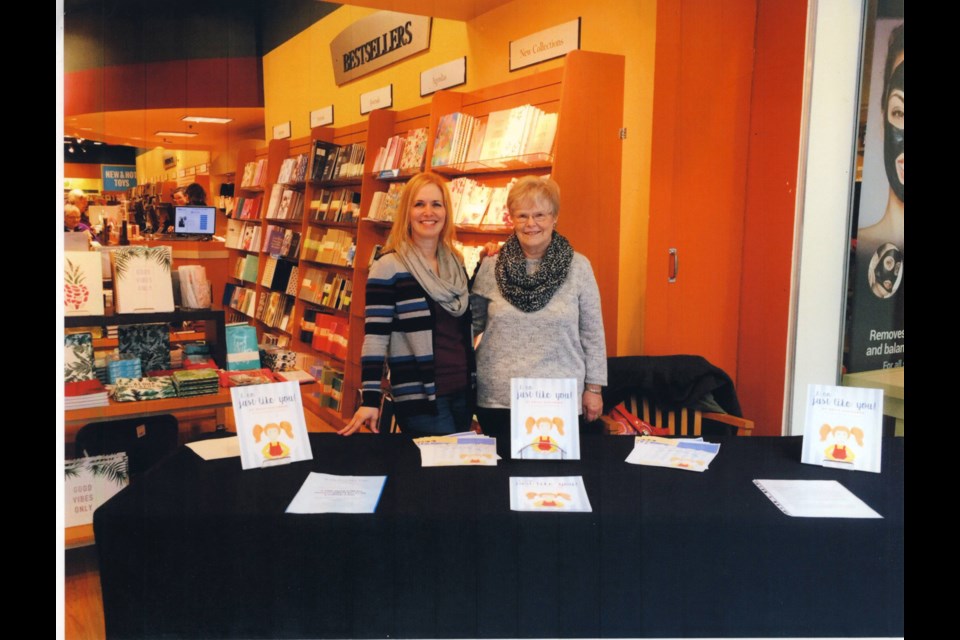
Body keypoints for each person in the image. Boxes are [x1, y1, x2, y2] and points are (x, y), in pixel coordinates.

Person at [471, 176, 607, 451]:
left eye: (539, 215)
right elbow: (471, 325)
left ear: (555, 217)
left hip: (559, 400)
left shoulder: (579, 267)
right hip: (499, 397)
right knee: (501, 481)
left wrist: (594, 389)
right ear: (511, 219)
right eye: (522, 215)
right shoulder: (490, 266)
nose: (530, 223)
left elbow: (593, 333)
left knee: (554, 483)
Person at [339, 172, 474, 437]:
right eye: (419, 204)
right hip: (420, 398)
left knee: (456, 475)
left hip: (463, 393)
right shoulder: (388, 266)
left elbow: (466, 324)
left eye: (437, 204)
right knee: (440, 475)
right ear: (407, 212)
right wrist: (369, 398)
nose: (429, 212)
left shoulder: (455, 263)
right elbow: (376, 339)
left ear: (446, 211)